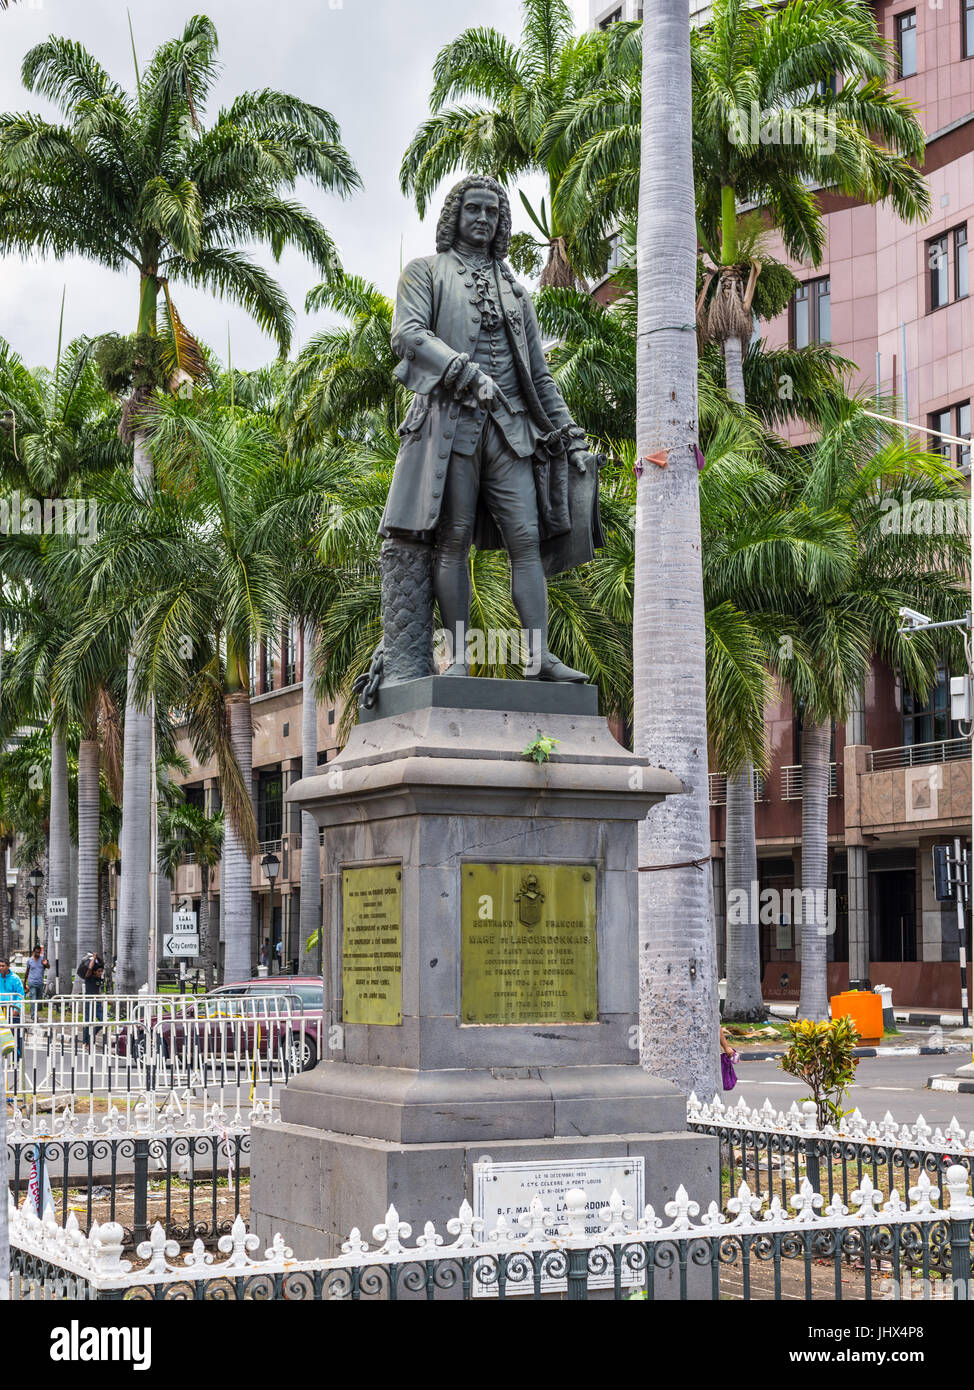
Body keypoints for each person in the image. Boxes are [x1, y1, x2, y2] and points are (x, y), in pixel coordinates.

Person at [378, 174, 603, 683]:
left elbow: (539, 377)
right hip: (451, 428)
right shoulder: (424, 273)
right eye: (473, 210)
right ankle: (458, 659)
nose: (483, 219)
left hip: (512, 432)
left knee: (525, 539)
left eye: (492, 212)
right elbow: (408, 336)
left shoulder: (518, 295)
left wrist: (572, 439)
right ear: (454, 216)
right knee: (452, 539)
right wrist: (462, 371)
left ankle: (538, 659)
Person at [0, 957, 26, 1060]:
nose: (0, 968)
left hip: (12, 1009)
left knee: (15, 1033)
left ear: (8, 966)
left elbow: (20, 994)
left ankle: (17, 1058)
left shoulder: (15, 979)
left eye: (3, 966)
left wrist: (16, 1009)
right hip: (1, 1009)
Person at [77, 952, 105, 1047]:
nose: (100, 973)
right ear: (94, 972)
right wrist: (94, 958)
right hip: (89, 1002)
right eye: (99, 971)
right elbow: (89, 968)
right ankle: (86, 1042)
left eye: (101, 972)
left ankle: (92, 1033)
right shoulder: (89, 977)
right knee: (88, 1022)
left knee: (103, 1021)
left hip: (97, 1003)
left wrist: (98, 958)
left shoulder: (99, 980)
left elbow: (99, 991)